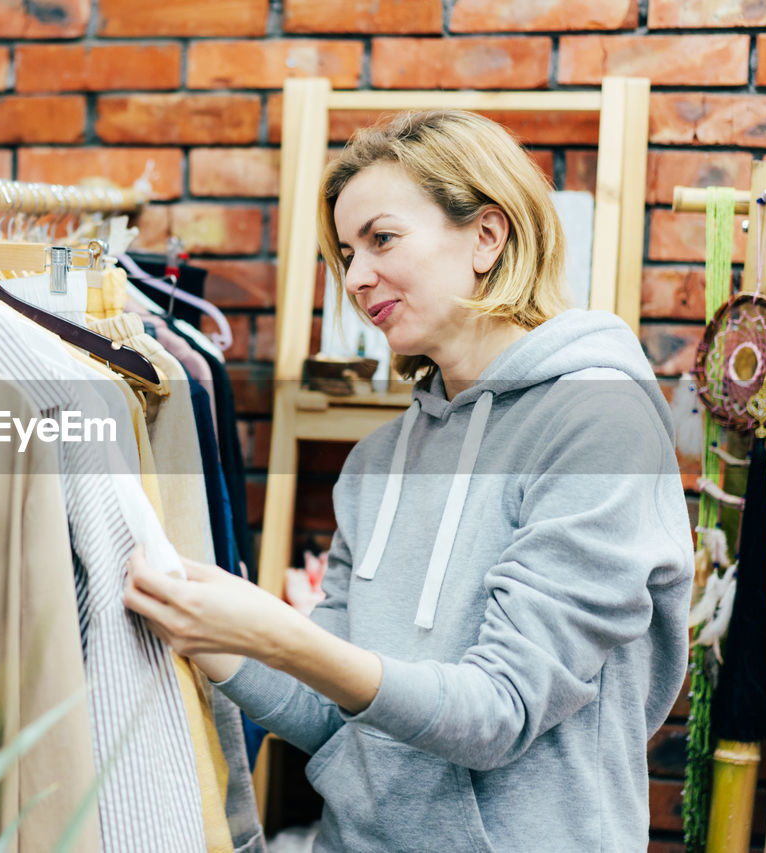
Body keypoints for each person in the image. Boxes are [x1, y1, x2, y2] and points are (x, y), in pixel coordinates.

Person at [124, 110, 694, 852]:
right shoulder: (378, 461)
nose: (356, 278)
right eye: (346, 253)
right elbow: (329, 707)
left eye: (381, 239)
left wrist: (275, 631)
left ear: (486, 236)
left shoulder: (600, 423)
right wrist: (211, 635)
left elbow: (502, 708)